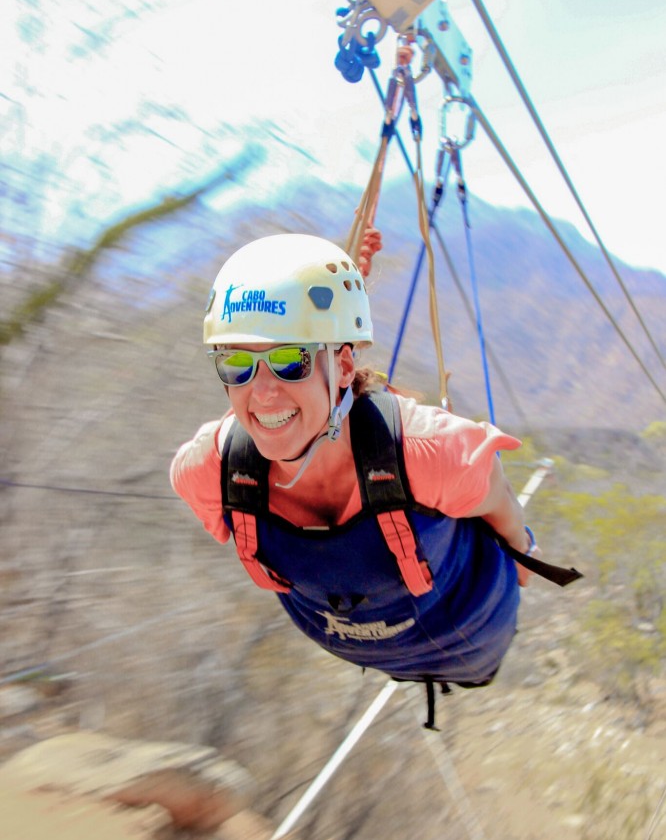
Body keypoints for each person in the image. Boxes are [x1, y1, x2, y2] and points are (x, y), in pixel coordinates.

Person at [170, 232, 542, 718]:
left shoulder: (431, 454)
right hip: (365, 637)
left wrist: (522, 551)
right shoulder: (209, 472)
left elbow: (494, 492)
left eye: (289, 361)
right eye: (236, 364)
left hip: (466, 627)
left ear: (344, 364)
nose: (260, 393)